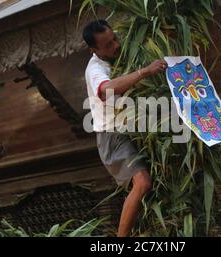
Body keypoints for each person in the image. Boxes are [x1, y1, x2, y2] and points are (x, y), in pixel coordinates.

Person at [83, 19, 168, 237]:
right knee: (142, 182)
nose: (115, 46)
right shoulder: (95, 69)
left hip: (134, 129)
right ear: (95, 50)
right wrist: (144, 72)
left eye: (114, 39)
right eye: (108, 45)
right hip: (112, 135)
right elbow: (105, 90)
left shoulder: (123, 51)